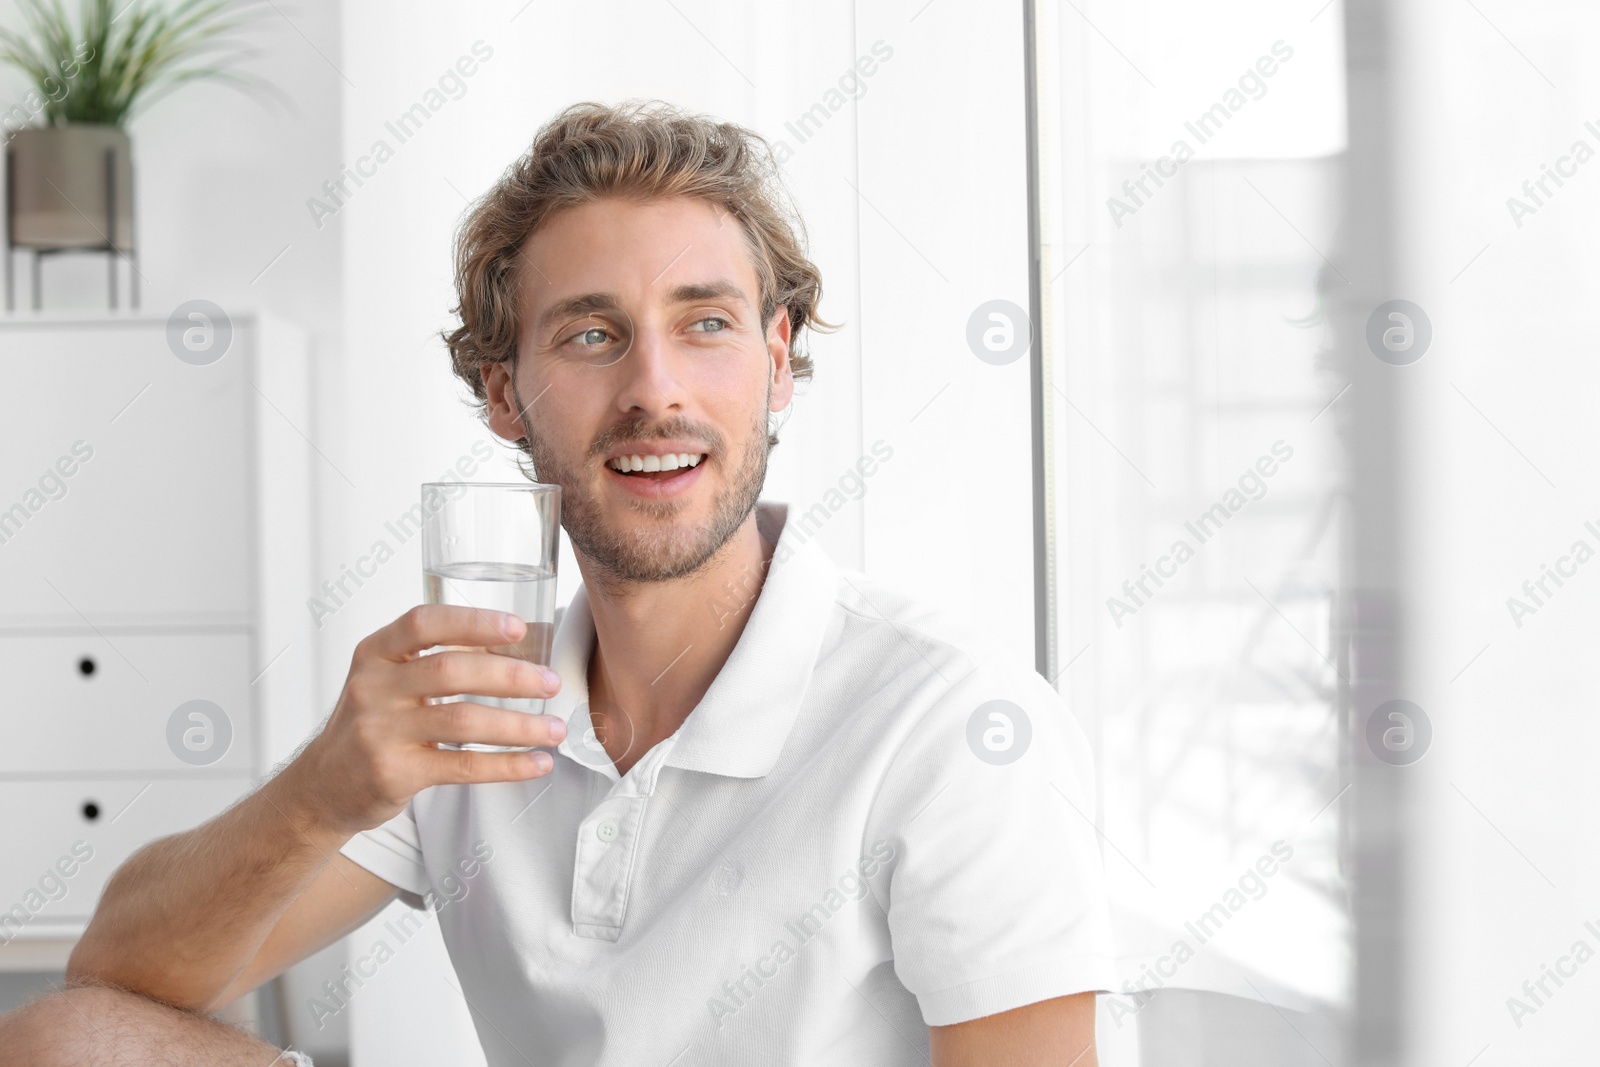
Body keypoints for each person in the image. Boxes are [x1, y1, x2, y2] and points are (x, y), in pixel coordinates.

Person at [0, 100, 1115, 1066]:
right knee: (59, 1041)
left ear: (777, 362)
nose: (653, 388)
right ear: (503, 395)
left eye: (706, 324)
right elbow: (119, 974)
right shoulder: (479, 696)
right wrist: (323, 789)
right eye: (590, 335)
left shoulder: (951, 724)